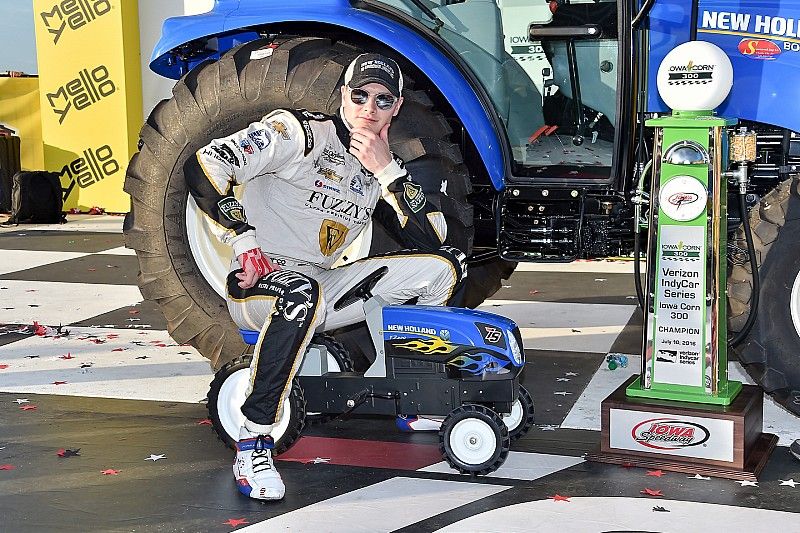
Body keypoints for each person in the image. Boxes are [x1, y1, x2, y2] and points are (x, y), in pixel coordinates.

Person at [184, 53, 466, 501]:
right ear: (342, 97)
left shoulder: (379, 169)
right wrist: (240, 235)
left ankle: (413, 397)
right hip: (260, 281)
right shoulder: (298, 133)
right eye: (359, 96)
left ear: (395, 109)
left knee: (443, 269)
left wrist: (387, 170)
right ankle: (253, 440)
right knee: (301, 291)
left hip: (319, 283)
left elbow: (436, 238)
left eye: (381, 100)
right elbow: (204, 165)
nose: (367, 109)